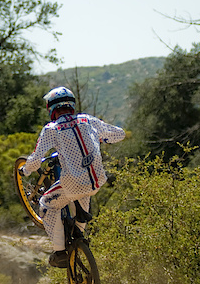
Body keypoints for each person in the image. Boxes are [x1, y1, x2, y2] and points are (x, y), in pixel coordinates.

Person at [21, 87, 125, 268]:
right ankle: (79, 237)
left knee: (47, 203)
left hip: (73, 184)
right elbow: (119, 134)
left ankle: (60, 252)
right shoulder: (88, 120)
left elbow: (36, 159)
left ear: (52, 109)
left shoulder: (51, 129)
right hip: (98, 180)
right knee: (83, 192)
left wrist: (25, 171)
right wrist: (101, 139)